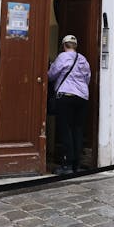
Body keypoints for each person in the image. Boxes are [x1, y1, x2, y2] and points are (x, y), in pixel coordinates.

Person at [47, 34, 91, 174]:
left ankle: (66, 165)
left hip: (66, 96)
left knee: (65, 130)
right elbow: (87, 78)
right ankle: (76, 164)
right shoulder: (83, 59)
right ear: (75, 46)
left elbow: (51, 75)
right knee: (77, 130)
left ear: (64, 45)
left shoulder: (62, 57)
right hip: (82, 98)